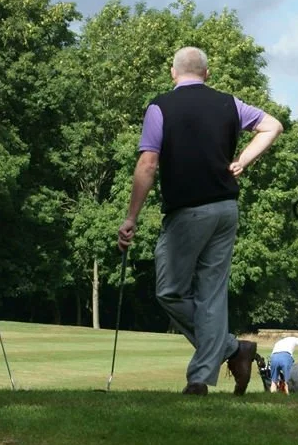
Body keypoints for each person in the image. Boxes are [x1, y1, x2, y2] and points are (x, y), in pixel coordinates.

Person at [117, 47, 284, 395]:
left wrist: (131, 216)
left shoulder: (160, 106)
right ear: (207, 74)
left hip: (187, 211)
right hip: (225, 208)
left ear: (172, 72)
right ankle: (231, 350)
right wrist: (243, 161)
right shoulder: (230, 103)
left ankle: (204, 374)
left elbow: (148, 164)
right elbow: (272, 126)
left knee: (169, 290)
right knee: (211, 294)